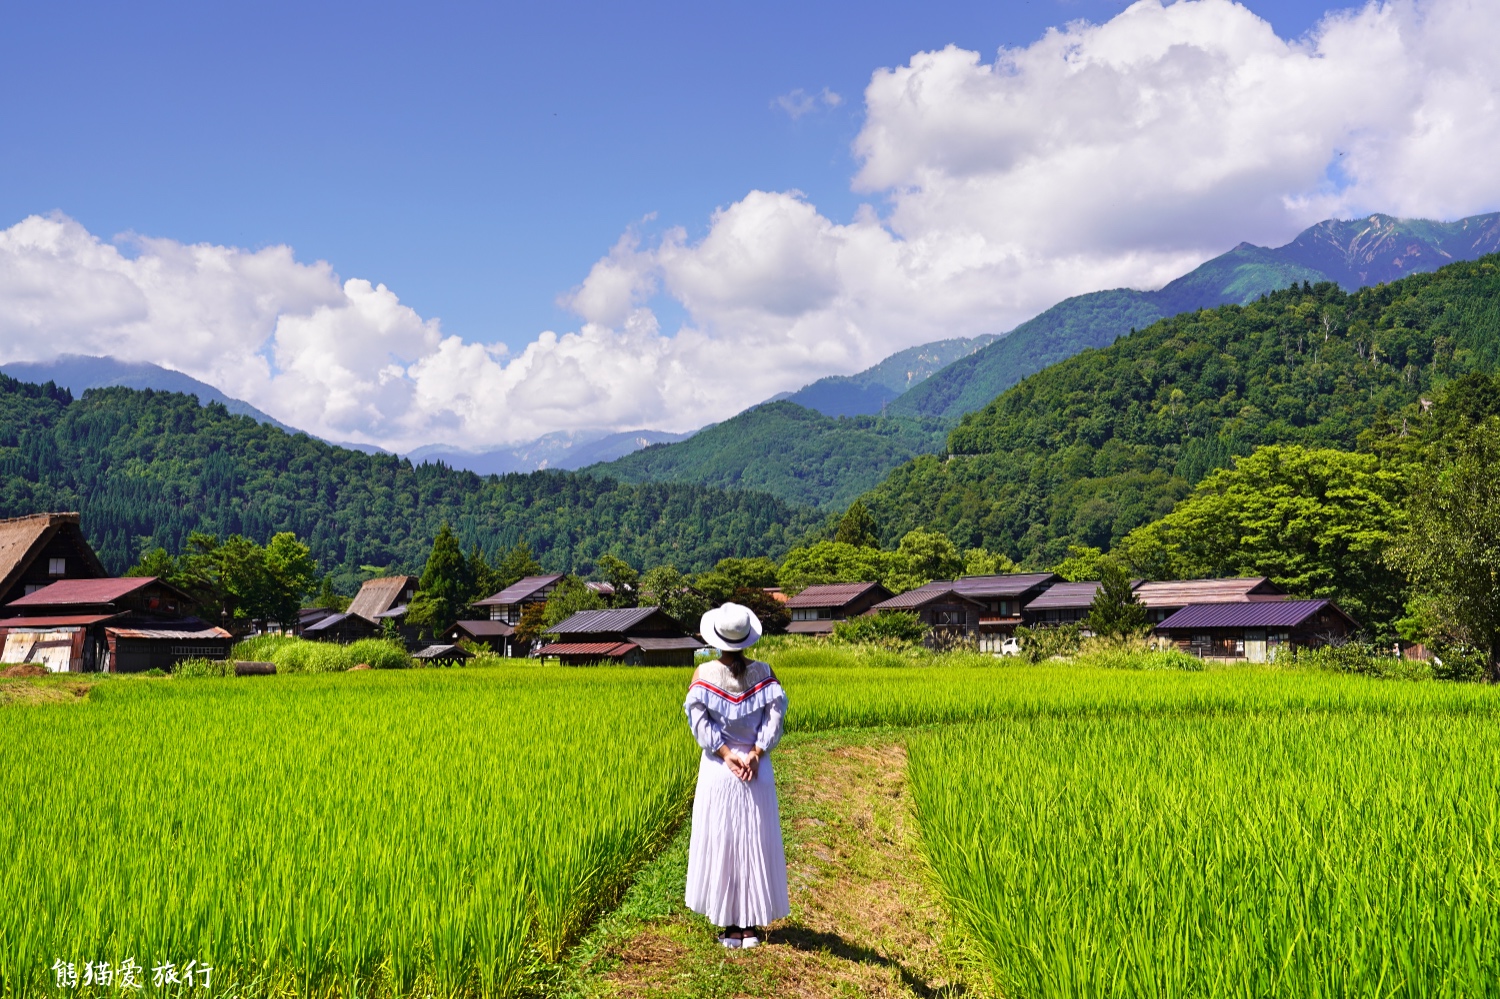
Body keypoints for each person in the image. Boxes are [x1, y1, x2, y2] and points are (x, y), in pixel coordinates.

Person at [683, 602, 789, 949]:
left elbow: (699, 724)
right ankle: (750, 928)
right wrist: (755, 753)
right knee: (753, 842)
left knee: (723, 842)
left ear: (717, 640)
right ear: (746, 639)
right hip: (755, 772)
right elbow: (775, 718)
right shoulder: (764, 673)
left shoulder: (704, 675)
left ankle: (729, 927)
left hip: (720, 771)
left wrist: (727, 754)